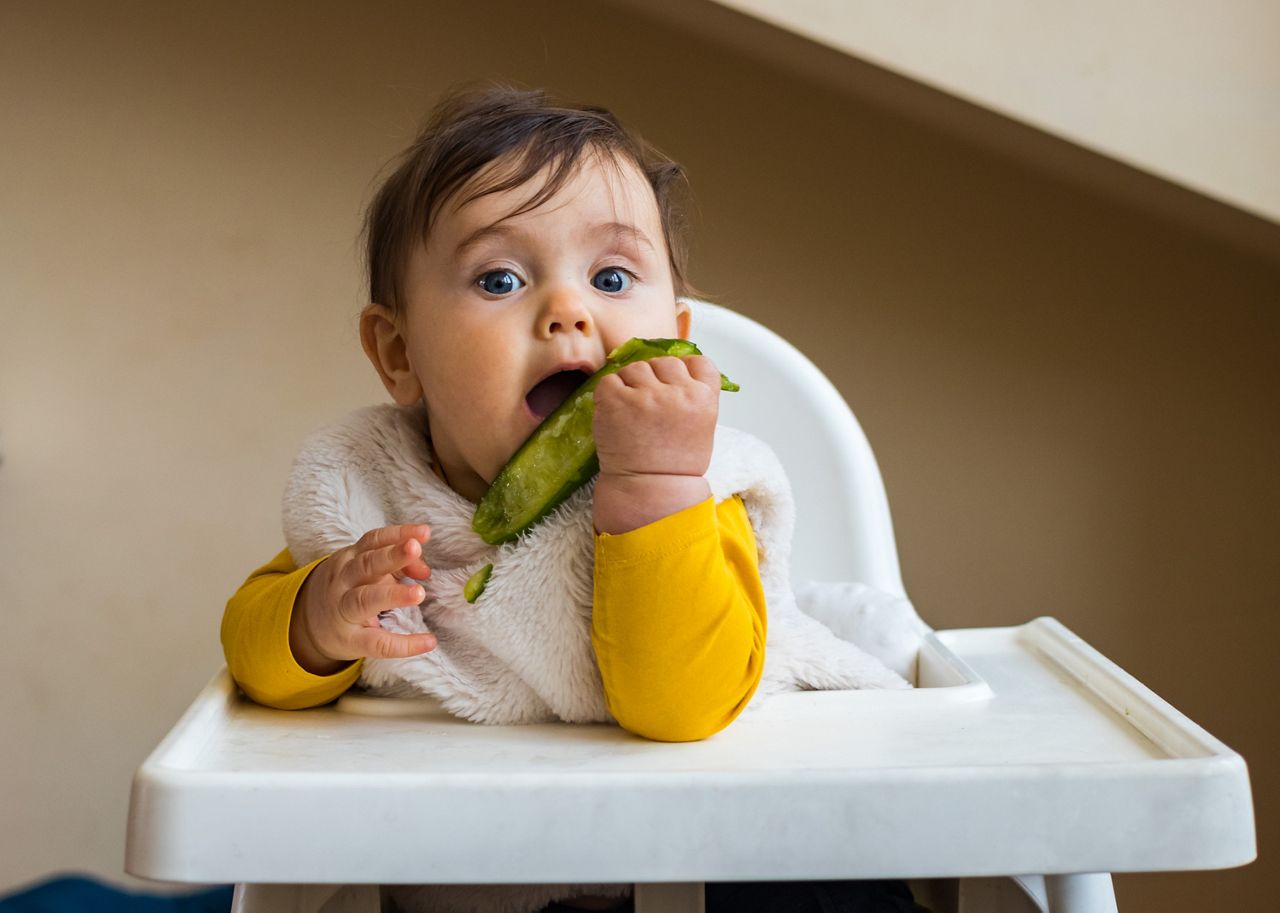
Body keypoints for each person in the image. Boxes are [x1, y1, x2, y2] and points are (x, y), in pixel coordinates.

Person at [221, 85, 923, 913]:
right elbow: (250, 652)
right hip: (458, 868)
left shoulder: (703, 494)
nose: (568, 310)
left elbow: (681, 706)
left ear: (678, 339)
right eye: (501, 277)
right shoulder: (372, 490)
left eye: (614, 275)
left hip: (694, 871)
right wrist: (315, 621)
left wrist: (655, 484)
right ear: (399, 351)